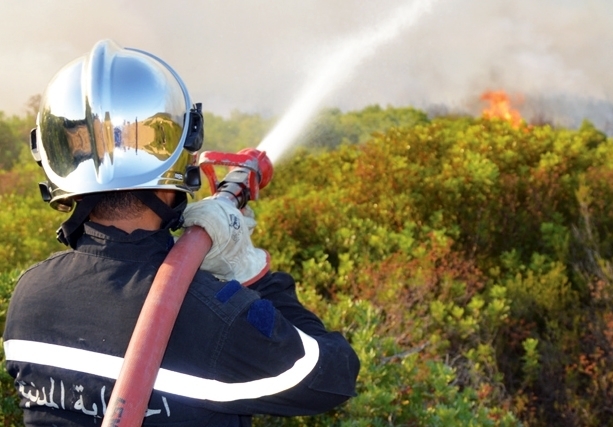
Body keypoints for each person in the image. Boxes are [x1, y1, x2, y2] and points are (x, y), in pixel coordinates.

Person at [3, 39, 360, 427]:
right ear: (179, 163)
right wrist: (251, 271)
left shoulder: (30, 295)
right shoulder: (214, 316)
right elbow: (333, 373)